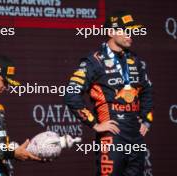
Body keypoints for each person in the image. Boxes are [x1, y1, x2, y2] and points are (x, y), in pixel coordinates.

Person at [65, 11, 153, 176]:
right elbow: (71, 94)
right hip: (111, 136)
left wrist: (146, 119)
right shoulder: (94, 61)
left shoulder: (135, 61)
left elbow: (147, 90)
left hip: (135, 136)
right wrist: (94, 124)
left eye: (132, 31)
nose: (130, 35)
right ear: (111, 32)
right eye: (125, 31)